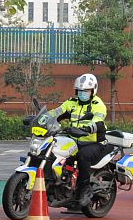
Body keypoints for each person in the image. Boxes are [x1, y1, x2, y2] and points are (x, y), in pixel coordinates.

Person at [44, 73, 108, 208]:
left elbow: (98, 121)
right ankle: (56, 185)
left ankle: (84, 191)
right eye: (80, 91)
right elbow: (57, 112)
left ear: (93, 91)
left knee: (83, 156)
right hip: (74, 140)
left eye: (86, 91)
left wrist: (86, 129)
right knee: (53, 150)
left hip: (94, 142)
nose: (82, 93)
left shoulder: (98, 105)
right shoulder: (72, 102)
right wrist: (41, 118)